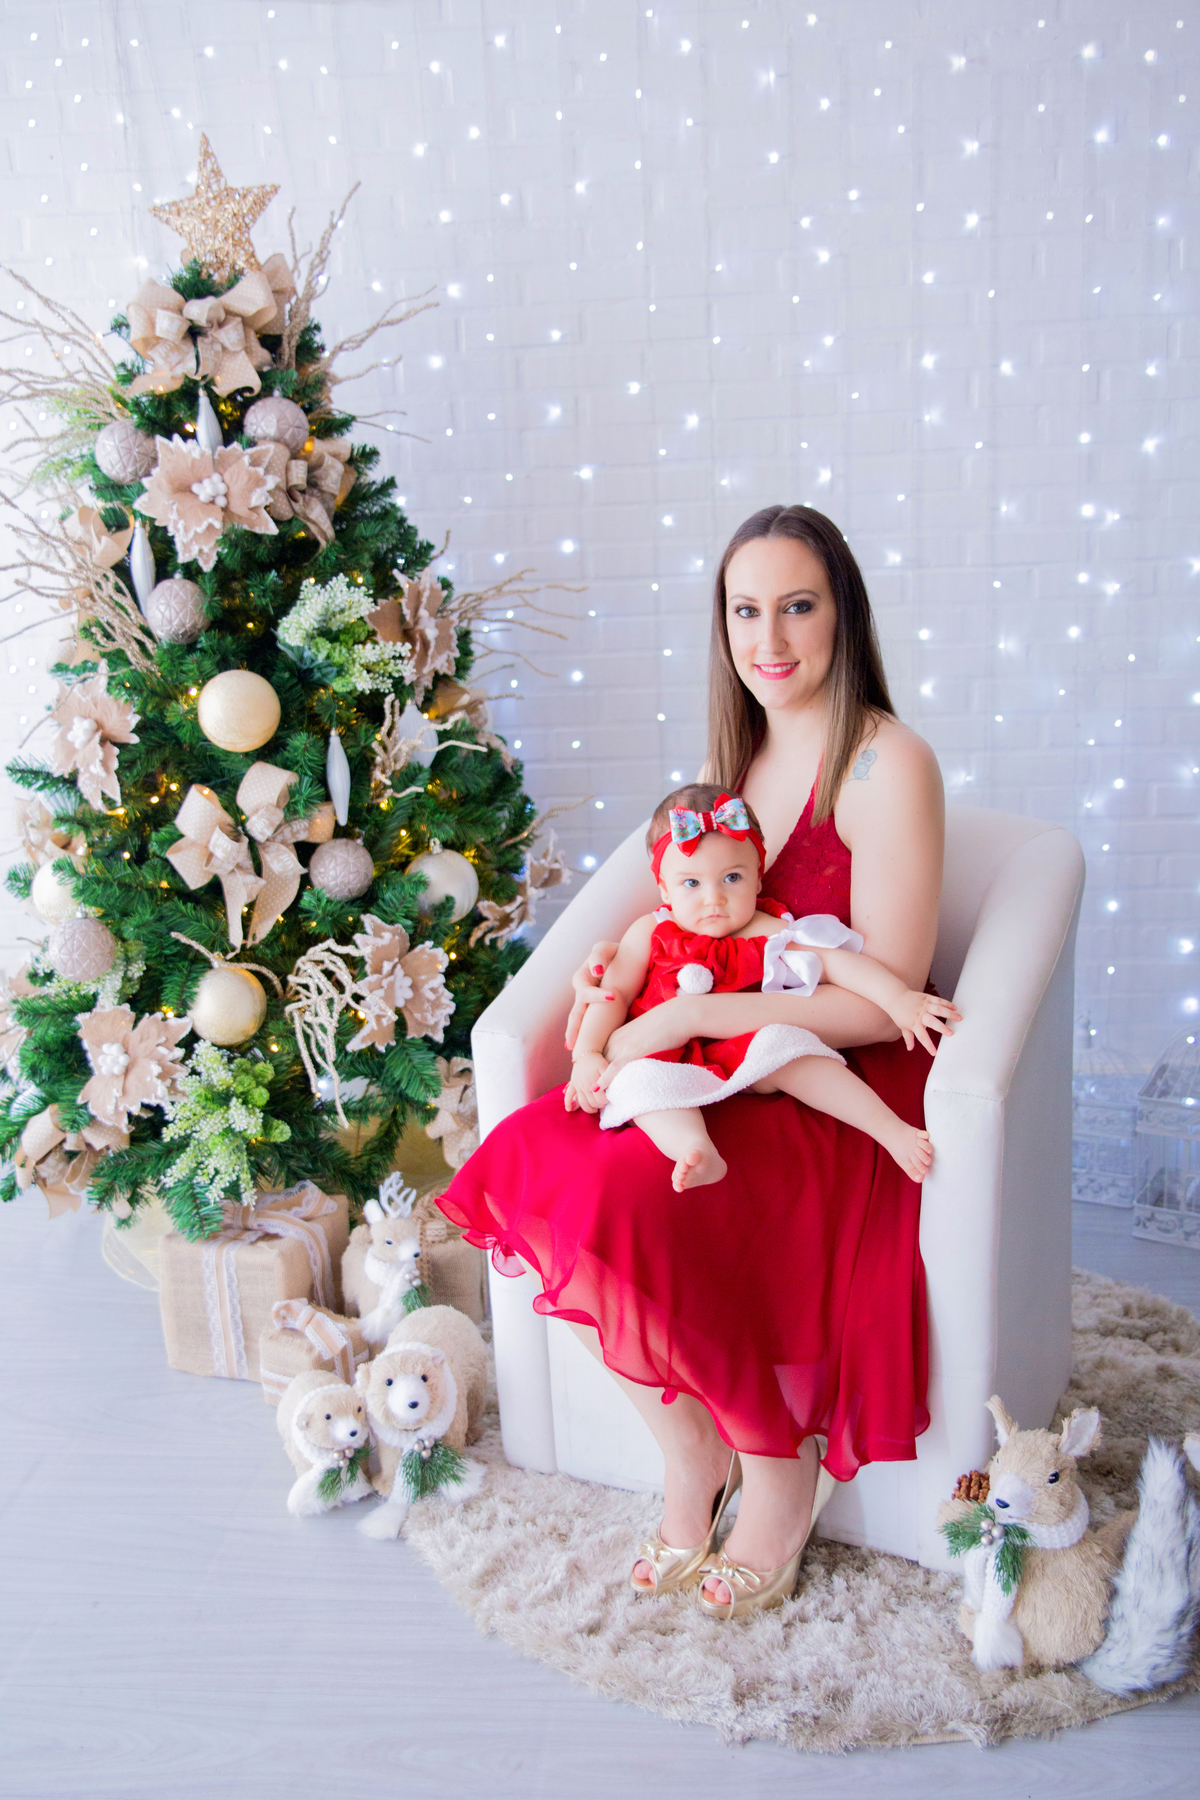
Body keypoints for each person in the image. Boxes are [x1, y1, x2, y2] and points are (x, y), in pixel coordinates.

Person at [438, 504, 945, 1619]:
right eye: (746, 610)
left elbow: (886, 1000)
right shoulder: (738, 760)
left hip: (819, 1073)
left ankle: (775, 1463)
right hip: (707, 1063)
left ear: (843, 614)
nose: (771, 637)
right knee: (529, 1158)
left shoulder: (885, 760)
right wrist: (605, 992)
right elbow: (655, 921)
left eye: (798, 606)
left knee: (634, 1197)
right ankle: (688, 1451)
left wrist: (681, 1028)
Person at [565, 782, 957, 1192]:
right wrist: (587, 1053)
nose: (713, 899)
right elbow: (613, 994)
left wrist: (898, 998)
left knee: (788, 1048)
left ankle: (889, 1129)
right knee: (640, 1085)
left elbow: (836, 964)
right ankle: (694, 1150)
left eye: (731, 877)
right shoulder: (650, 931)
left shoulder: (769, 932)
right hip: (662, 1056)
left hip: (741, 1054)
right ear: (664, 888)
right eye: (692, 884)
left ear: (757, 880)